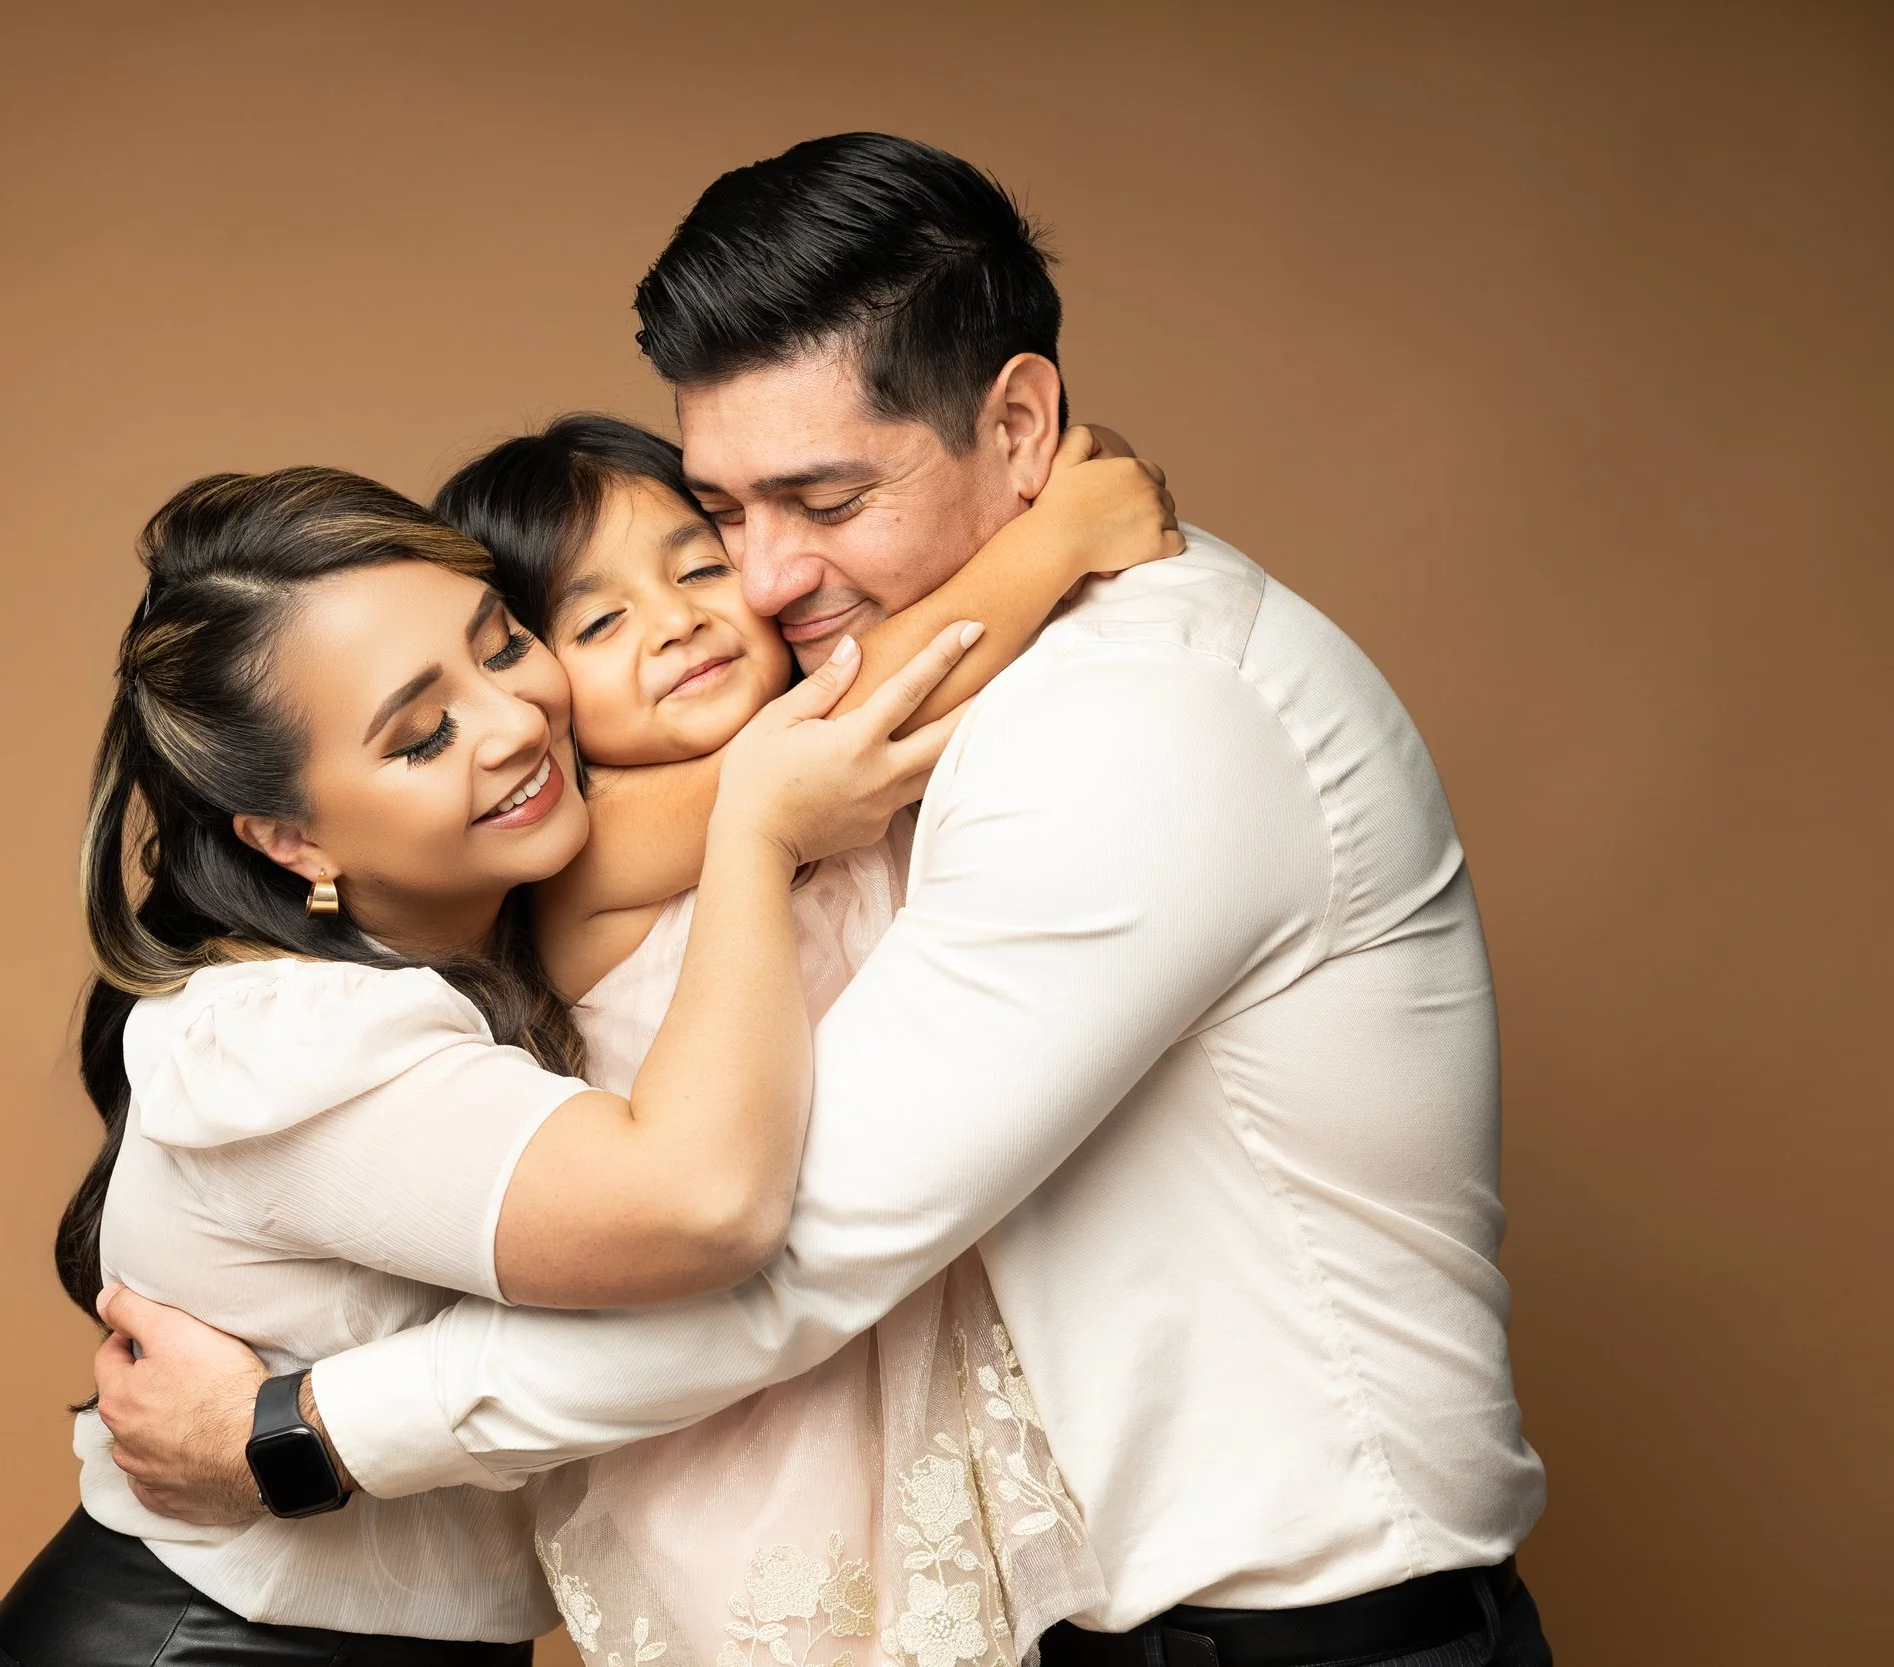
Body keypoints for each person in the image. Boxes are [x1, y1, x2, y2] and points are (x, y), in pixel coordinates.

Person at [95, 133, 1556, 1667]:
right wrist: (1051, 533)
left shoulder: (1134, 719)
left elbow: (791, 1252)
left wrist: (305, 1428)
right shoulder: (822, 749)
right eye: (727, 509)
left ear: (1018, 418)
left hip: (1311, 1635)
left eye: (823, 497)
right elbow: (828, 743)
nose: (768, 580)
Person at [0, 465, 979, 1665]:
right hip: (206, 1643)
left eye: (502, 647)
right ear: (292, 836)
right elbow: (702, 1208)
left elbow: (865, 704)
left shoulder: (497, 922)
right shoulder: (290, 1038)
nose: (512, 724)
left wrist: (1053, 528)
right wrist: (759, 826)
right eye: (421, 734)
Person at [430, 412, 1177, 1663]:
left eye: (700, 565)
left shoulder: (819, 775)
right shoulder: (591, 848)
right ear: (531, 684)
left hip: (895, 1334)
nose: (673, 620)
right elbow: (893, 680)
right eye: (598, 621)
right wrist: (1065, 532)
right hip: (745, 1417)